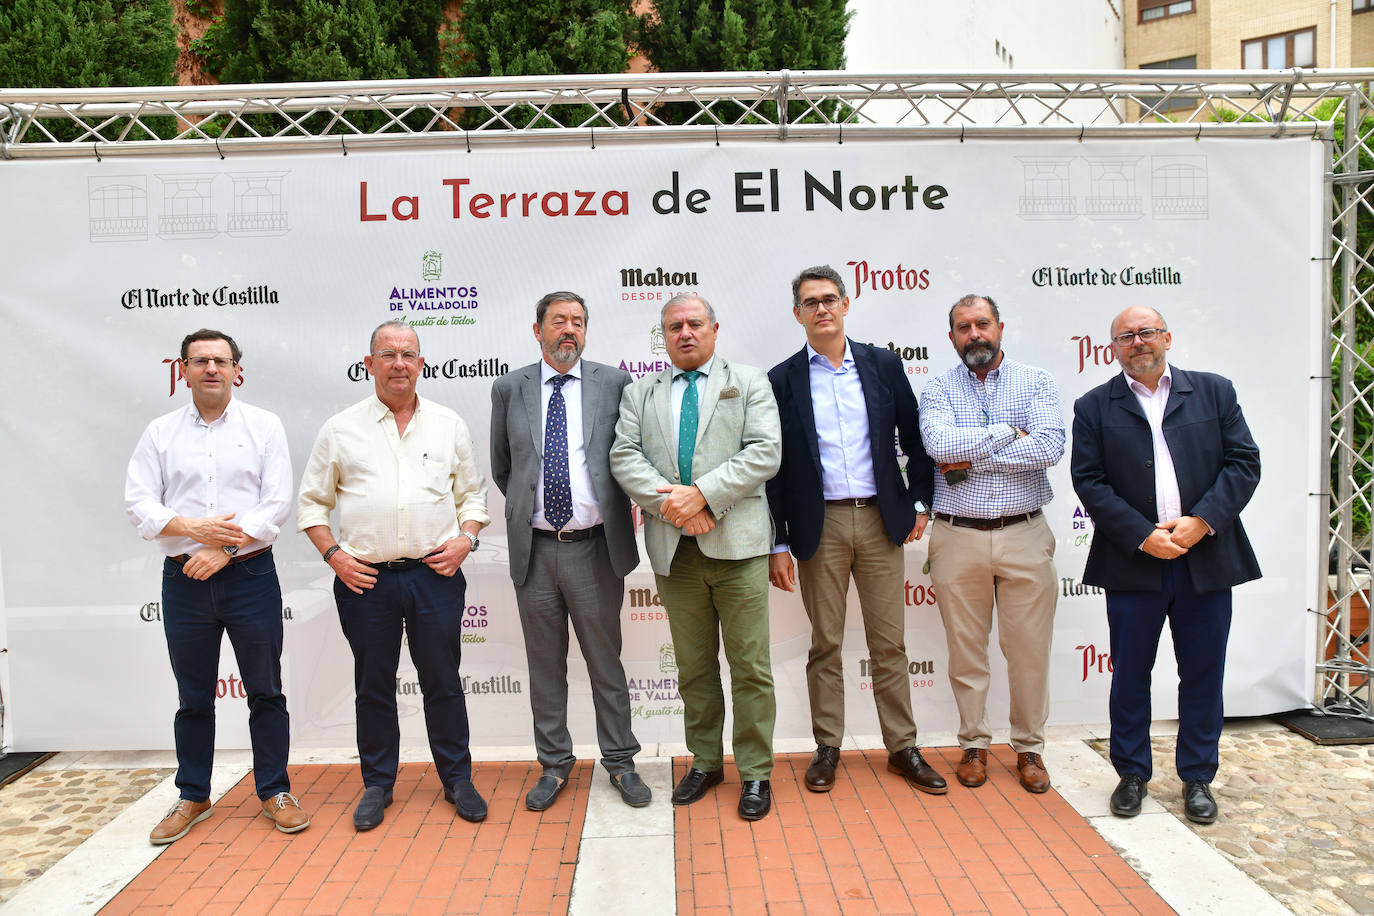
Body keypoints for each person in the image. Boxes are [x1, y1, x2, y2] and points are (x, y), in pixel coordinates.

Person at [298, 320, 490, 830]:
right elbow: (312, 506)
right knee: (374, 685)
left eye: (408, 354)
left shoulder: (448, 424)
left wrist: (466, 540)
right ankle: (378, 784)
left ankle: (457, 779)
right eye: (388, 354)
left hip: (435, 576)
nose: (399, 363)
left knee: (443, 681)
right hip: (366, 581)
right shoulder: (340, 429)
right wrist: (335, 556)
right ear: (370, 364)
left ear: (422, 362)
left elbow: (473, 496)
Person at [1071, 306, 1260, 825]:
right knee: (1131, 673)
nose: (1138, 342)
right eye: (1126, 337)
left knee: (1202, 673)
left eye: (1147, 332)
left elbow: (1244, 463)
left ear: (1167, 338)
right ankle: (1131, 774)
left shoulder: (1215, 392)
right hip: (1134, 562)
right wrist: (1140, 535)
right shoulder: (1093, 406)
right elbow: (1088, 480)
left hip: (1207, 558)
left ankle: (1197, 778)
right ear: (1113, 348)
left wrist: (1202, 520)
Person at [766, 265, 946, 796]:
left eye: (829, 299)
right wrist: (778, 540)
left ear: (846, 304)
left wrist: (919, 503)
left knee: (889, 643)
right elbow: (773, 468)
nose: (821, 309)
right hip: (815, 525)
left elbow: (916, 441)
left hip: (879, 520)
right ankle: (827, 748)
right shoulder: (782, 380)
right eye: (810, 302)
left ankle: (903, 748)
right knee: (825, 644)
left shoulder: (884, 365)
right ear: (797, 314)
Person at [125, 329, 309, 845]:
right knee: (193, 696)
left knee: (266, 691)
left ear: (236, 369)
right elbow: (140, 503)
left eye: (220, 361)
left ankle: (275, 790)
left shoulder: (264, 426)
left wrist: (223, 548)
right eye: (200, 361)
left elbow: (275, 504)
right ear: (182, 369)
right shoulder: (160, 432)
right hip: (183, 578)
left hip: (250, 575)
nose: (211, 369)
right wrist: (192, 529)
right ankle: (193, 795)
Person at [610, 294, 782, 820]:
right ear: (663, 335)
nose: (685, 333)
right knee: (693, 668)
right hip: (675, 552)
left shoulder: (749, 381)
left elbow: (764, 451)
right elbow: (624, 457)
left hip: (739, 548)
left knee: (750, 666)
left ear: (713, 329)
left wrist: (703, 494)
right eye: (673, 326)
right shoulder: (640, 391)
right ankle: (705, 761)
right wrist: (679, 508)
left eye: (694, 324)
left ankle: (755, 772)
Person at [490, 291, 650, 812]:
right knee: (545, 666)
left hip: (595, 549)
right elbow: (504, 468)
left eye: (578, 322)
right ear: (537, 330)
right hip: (534, 552)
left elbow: (628, 455)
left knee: (606, 661)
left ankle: (621, 763)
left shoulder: (615, 383)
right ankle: (555, 764)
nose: (569, 331)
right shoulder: (510, 388)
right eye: (558, 321)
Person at [919, 294, 1065, 794]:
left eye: (982, 324)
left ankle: (1029, 749)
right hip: (958, 534)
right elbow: (939, 448)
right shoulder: (937, 390)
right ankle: (974, 745)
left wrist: (971, 452)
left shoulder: (1037, 381)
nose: (974, 334)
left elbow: (1047, 447)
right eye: (963, 327)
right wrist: (1008, 433)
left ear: (1000, 327)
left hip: (1024, 532)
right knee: (966, 652)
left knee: (1028, 652)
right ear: (953, 336)